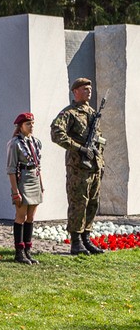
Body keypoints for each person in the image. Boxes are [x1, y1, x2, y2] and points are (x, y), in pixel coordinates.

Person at [51, 77, 106, 256]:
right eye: (84, 88)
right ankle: (76, 241)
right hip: (78, 167)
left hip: (94, 166)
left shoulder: (92, 113)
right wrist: (80, 148)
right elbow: (57, 133)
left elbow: (97, 138)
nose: (88, 91)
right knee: (78, 203)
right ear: (75, 92)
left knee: (92, 203)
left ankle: (86, 238)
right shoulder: (69, 113)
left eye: (89, 88)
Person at [7, 112, 43, 264]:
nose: (31, 126)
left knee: (31, 217)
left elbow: (38, 165)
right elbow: (11, 169)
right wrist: (15, 191)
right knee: (21, 216)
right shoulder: (15, 143)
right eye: (28, 124)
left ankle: (28, 249)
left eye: (32, 123)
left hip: (34, 179)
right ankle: (19, 251)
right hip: (23, 180)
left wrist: (41, 183)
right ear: (20, 126)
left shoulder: (35, 141)